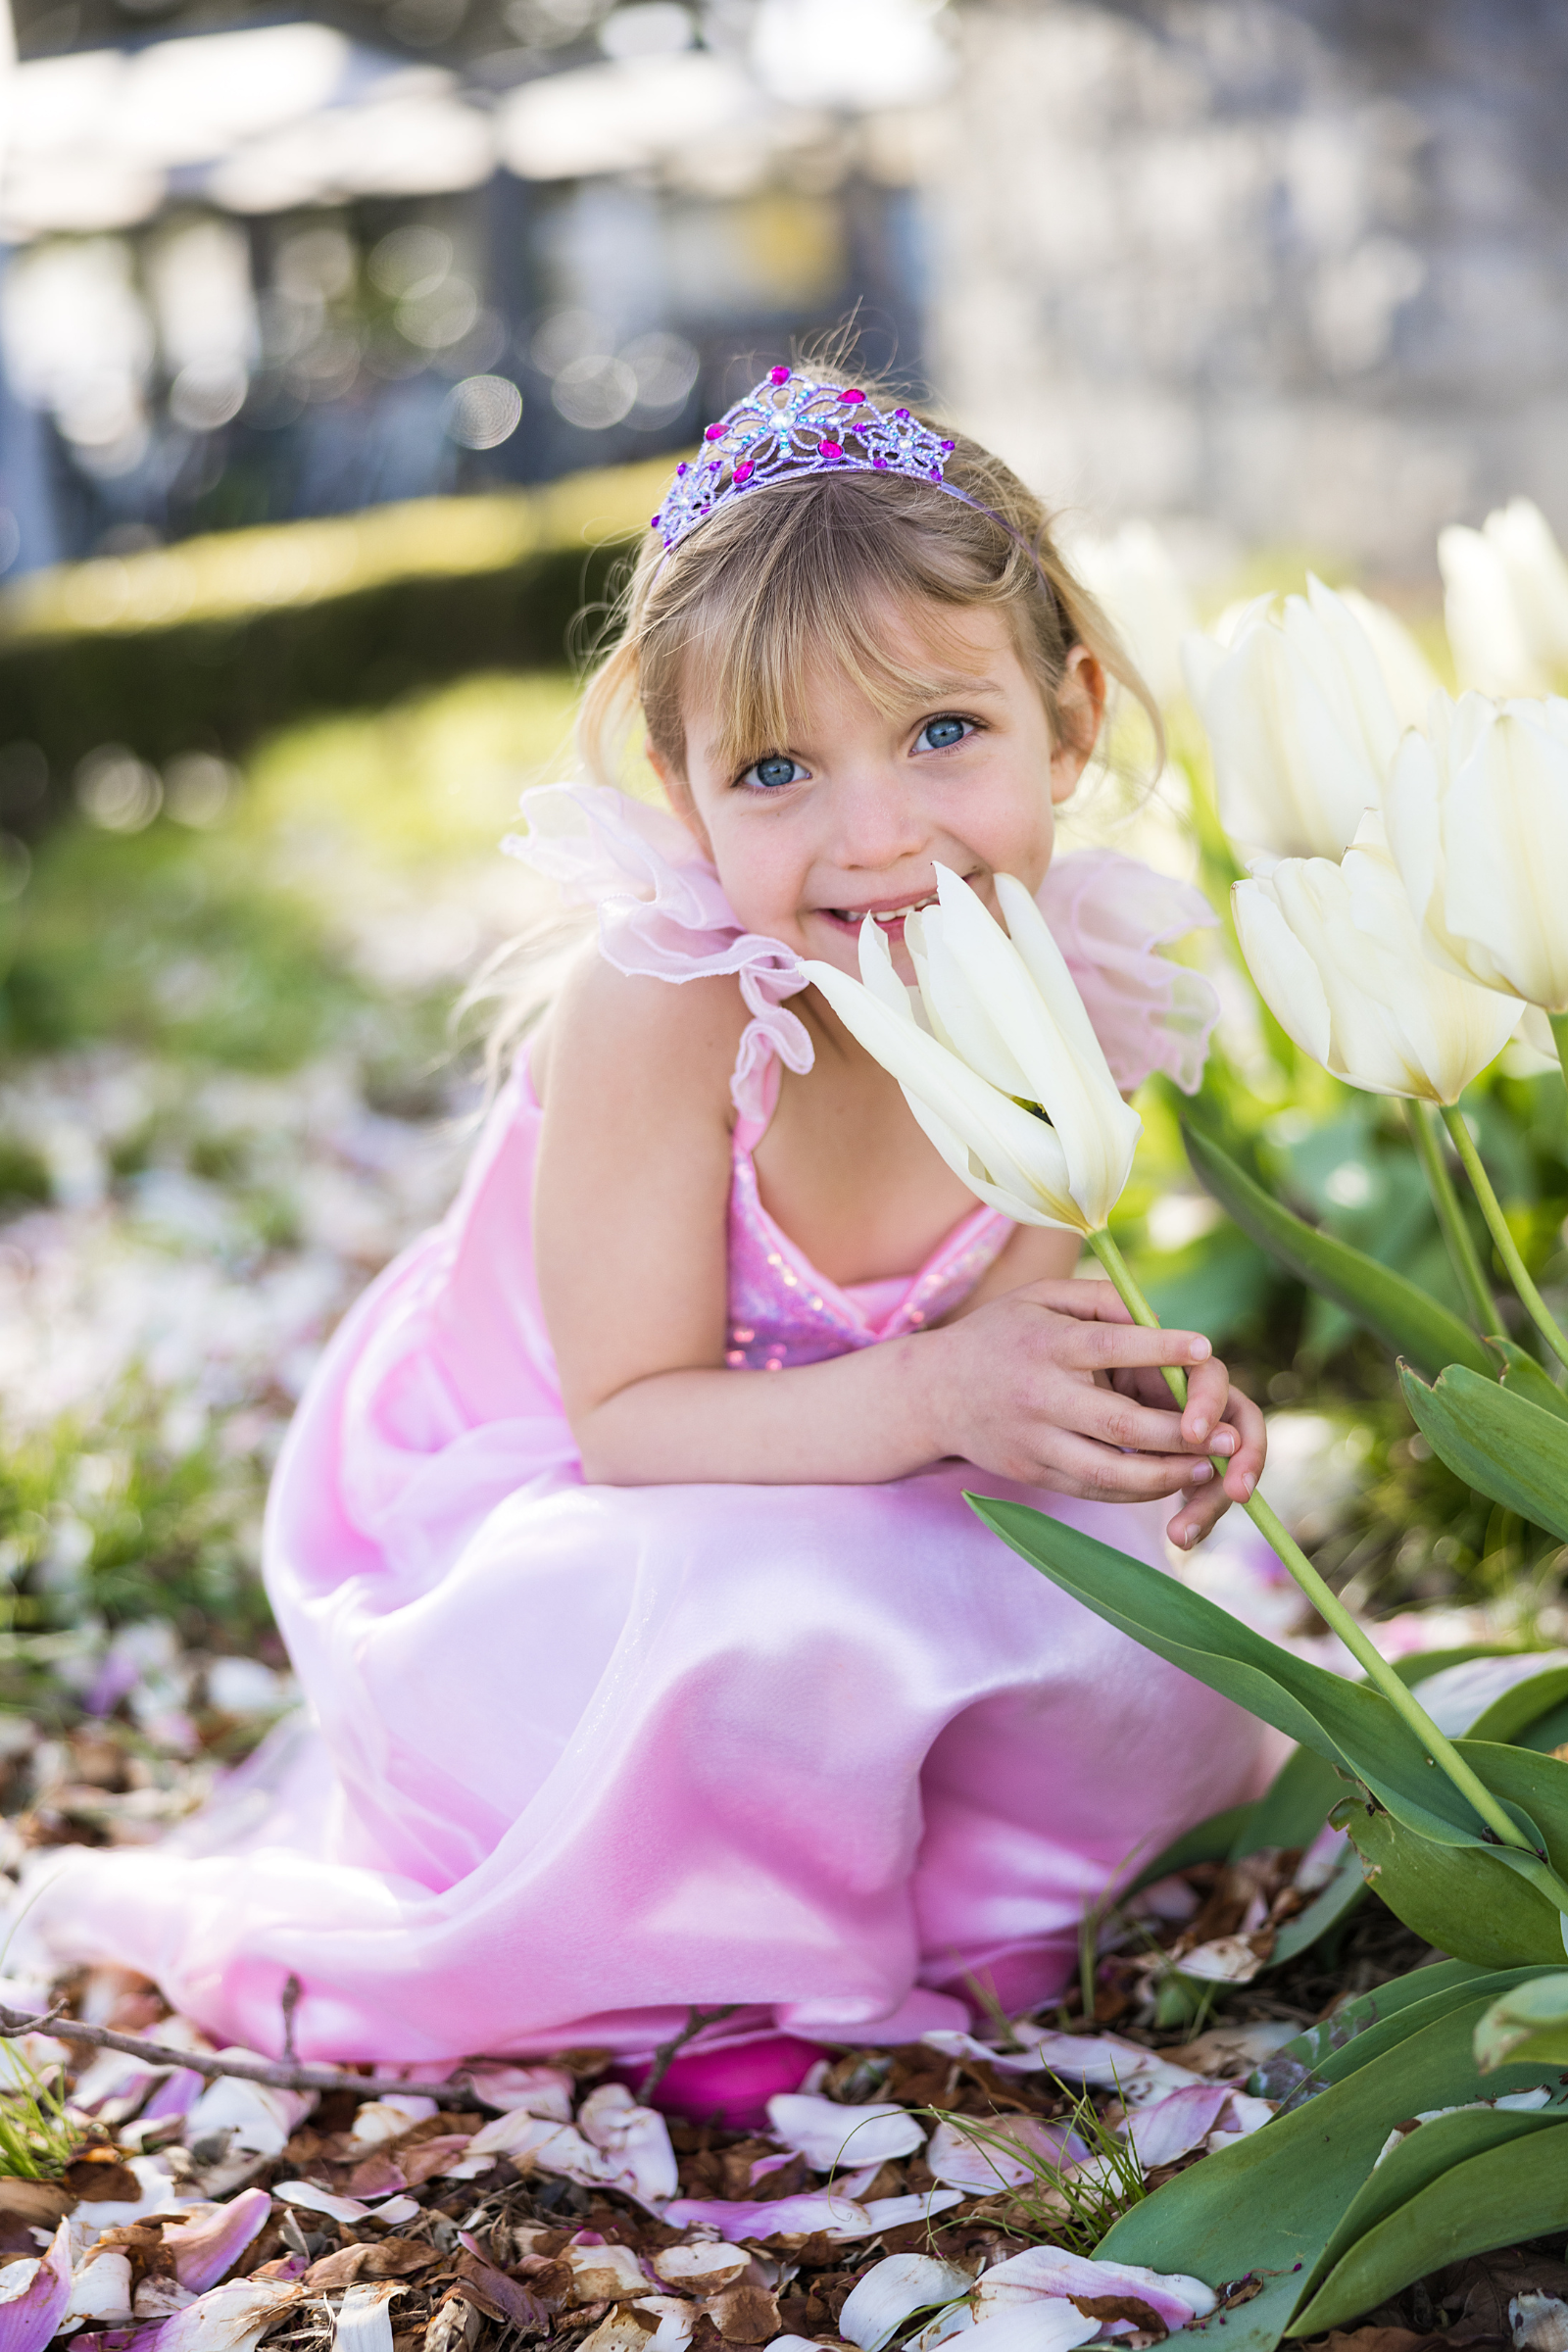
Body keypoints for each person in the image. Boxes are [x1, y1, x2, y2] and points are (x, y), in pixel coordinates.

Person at [22, 366, 1270, 2118]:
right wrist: (949, 1390)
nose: (877, 834)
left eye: (941, 733)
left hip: (874, 1469)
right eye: (776, 767)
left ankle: (955, 1893)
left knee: (1132, 1624)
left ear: (1066, 718)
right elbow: (631, 1422)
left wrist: (1128, 1410)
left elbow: (1011, 1352)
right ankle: (724, 1952)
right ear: (683, 794)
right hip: (577, 1517)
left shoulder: (1072, 979)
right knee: (765, 1615)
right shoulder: (673, 1012)